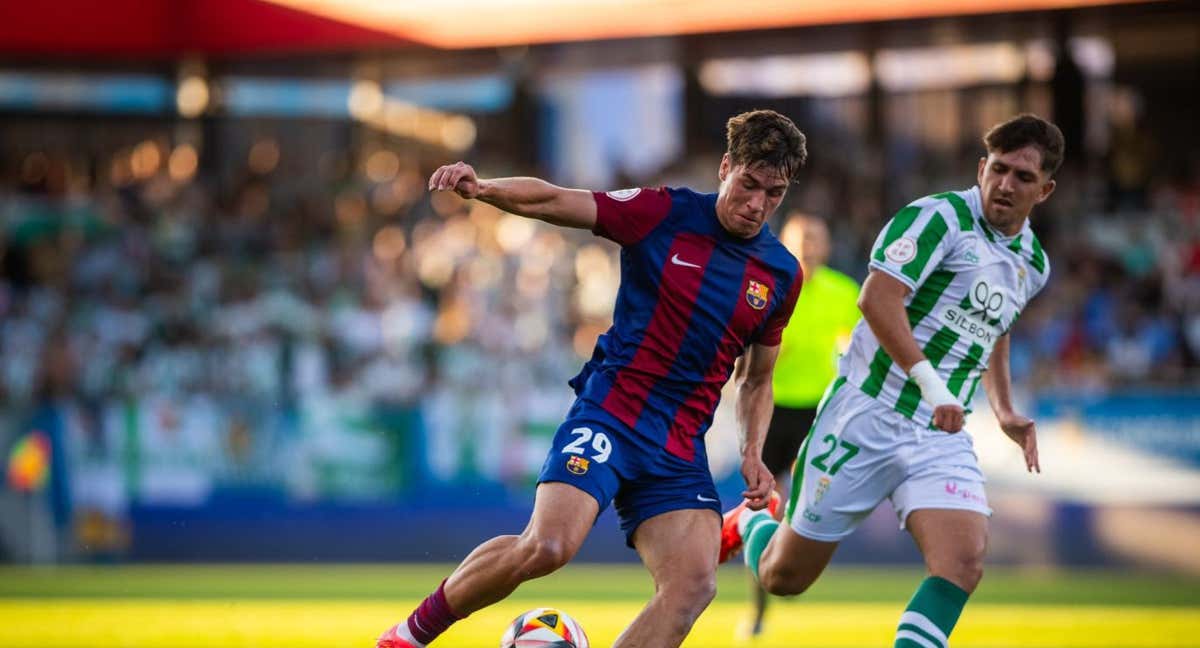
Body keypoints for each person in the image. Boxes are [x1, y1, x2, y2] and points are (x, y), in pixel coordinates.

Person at [376, 109, 808, 648]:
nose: (757, 205)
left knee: (692, 588)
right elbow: (560, 200)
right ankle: (407, 636)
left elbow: (756, 380)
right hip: (613, 412)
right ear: (725, 167)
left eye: (774, 193)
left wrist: (752, 452)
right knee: (548, 547)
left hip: (678, 444)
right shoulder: (663, 212)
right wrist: (483, 189)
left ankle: (721, 530)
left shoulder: (782, 274)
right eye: (748, 184)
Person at [719, 113, 1061, 648]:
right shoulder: (938, 219)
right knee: (784, 577)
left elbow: (997, 327)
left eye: (1022, 177)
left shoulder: (1033, 263)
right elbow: (876, 298)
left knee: (963, 562)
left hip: (937, 434)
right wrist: (934, 386)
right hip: (865, 414)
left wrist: (1004, 408)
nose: (1004, 185)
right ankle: (751, 526)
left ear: (1045, 189)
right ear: (981, 167)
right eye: (998, 169)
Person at [731, 213, 861, 639]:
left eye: (815, 239)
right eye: (800, 240)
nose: (808, 248)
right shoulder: (768, 288)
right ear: (786, 244)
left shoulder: (845, 292)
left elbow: (857, 349)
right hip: (772, 409)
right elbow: (740, 351)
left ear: (826, 246)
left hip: (819, 412)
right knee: (762, 505)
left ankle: (794, 567)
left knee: (812, 505)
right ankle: (758, 610)